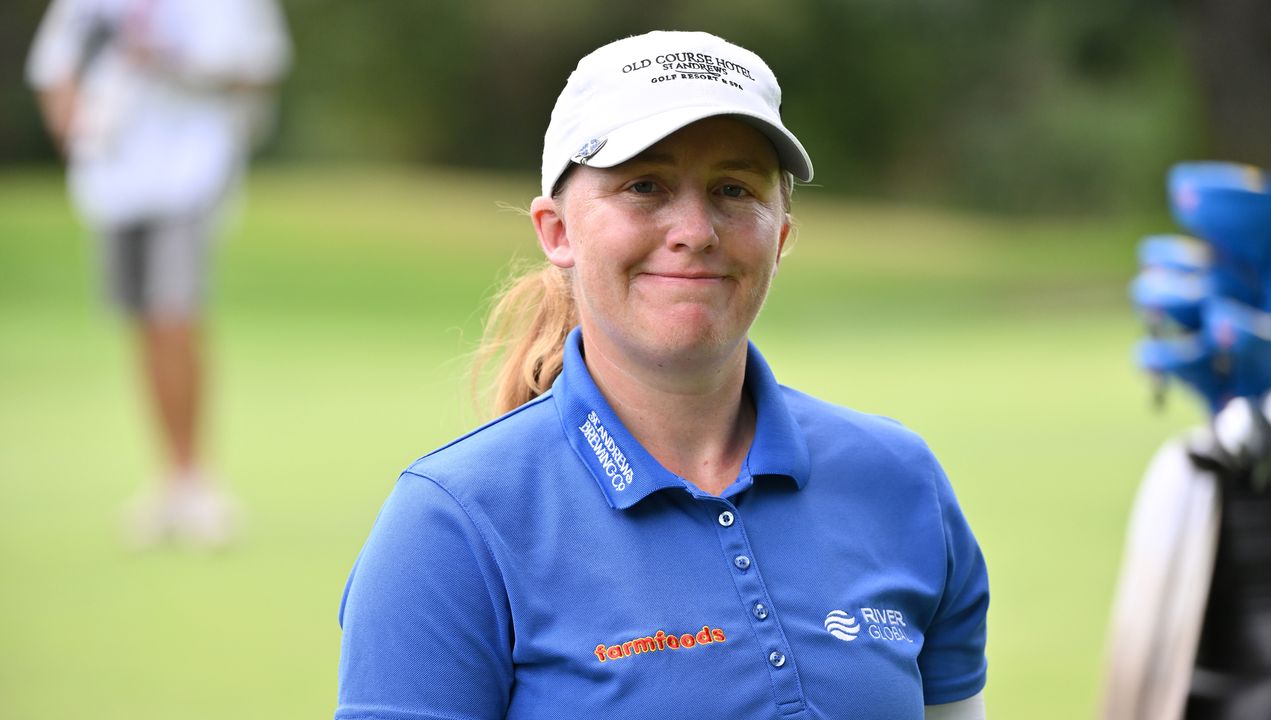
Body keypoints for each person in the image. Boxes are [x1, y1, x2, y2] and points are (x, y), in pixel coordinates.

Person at [336, 31, 988, 719]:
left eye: (733, 189)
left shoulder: (899, 479)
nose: (696, 230)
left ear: (783, 233)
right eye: (644, 186)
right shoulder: (451, 525)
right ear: (557, 231)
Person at [26, 0, 291, 547]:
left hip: (191, 170)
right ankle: (170, 479)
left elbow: (258, 71)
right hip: (112, 177)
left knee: (175, 314)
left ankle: (197, 481)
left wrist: (177, 63)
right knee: (143, 323)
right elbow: (55, 65)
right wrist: (72, 128)